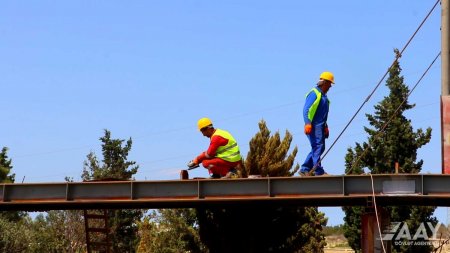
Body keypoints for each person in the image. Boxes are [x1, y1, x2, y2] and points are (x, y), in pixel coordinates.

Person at [300, 71, 334, 176]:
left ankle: (305, 168)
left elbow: (323, 115)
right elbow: (306, 109)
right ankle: (318, 170)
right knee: (318, 146)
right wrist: (307, 123)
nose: (330, 87)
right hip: (313, 125)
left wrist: (326, 127)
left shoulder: (324, 98)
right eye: (329, 84)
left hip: (320, 126)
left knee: (319, 146)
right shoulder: (314, 93)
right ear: (324, 82)